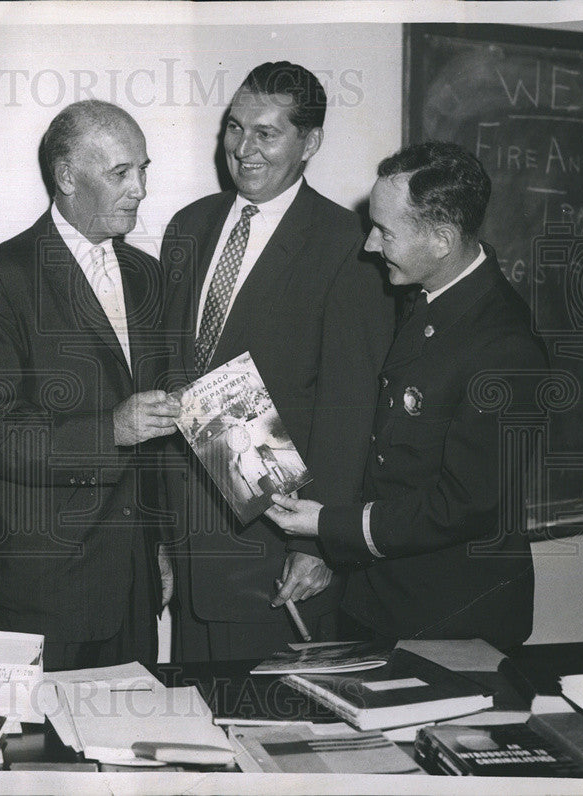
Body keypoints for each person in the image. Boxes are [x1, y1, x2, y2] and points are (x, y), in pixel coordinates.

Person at [265, 141, 549, 649]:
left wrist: (328, 523)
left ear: (441, 239)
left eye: (385, 231)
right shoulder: (429, 299)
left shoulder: (504, 346)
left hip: (453, 621)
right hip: (383, 600)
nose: (369, 245)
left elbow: (465, 505)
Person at [160, 61, 393, 661]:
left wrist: (319, 543)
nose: (243, 149)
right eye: (234, 128)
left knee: (265, 732)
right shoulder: (188, 226)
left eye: (266, 133)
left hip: (277, 554)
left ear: (310, 142)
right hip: (185, 543)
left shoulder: (349, 245)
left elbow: (351, 407)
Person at [0, 100, 179, 671]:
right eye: (121, 173)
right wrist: (112, 431)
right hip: (39, 595)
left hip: (134, 587)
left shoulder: (149, 276)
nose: (140, 189)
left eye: (143, 169)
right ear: (67, 177)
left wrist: (162, 544)